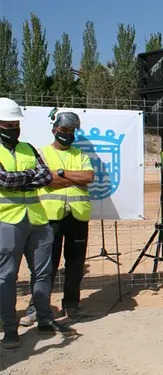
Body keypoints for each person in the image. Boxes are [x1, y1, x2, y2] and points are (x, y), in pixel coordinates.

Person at [0, 98, 76, 349]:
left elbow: (45, 176)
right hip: (7, 221)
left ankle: (44, 319)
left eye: (15, 123)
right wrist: (27, 178)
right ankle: (10, 328)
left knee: (42, 273)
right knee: (7, 277)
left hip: (37, 219)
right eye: (7, 124)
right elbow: (4, 180)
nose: (13, 128)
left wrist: (22, 179)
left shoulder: (29, 149)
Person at [20, 111, 93, 326]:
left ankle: (72, 305)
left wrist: (61, 173)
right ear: (55, 130)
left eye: (71, 131)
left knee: (75, 264)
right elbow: (47, 180)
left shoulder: (81, 154)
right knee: (45, 266)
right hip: (50, 217)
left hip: (78, 216)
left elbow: (88, 177)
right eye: (64, 130)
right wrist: (71, 178)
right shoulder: (41, 154)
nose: (67, 134)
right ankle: (37, 308)